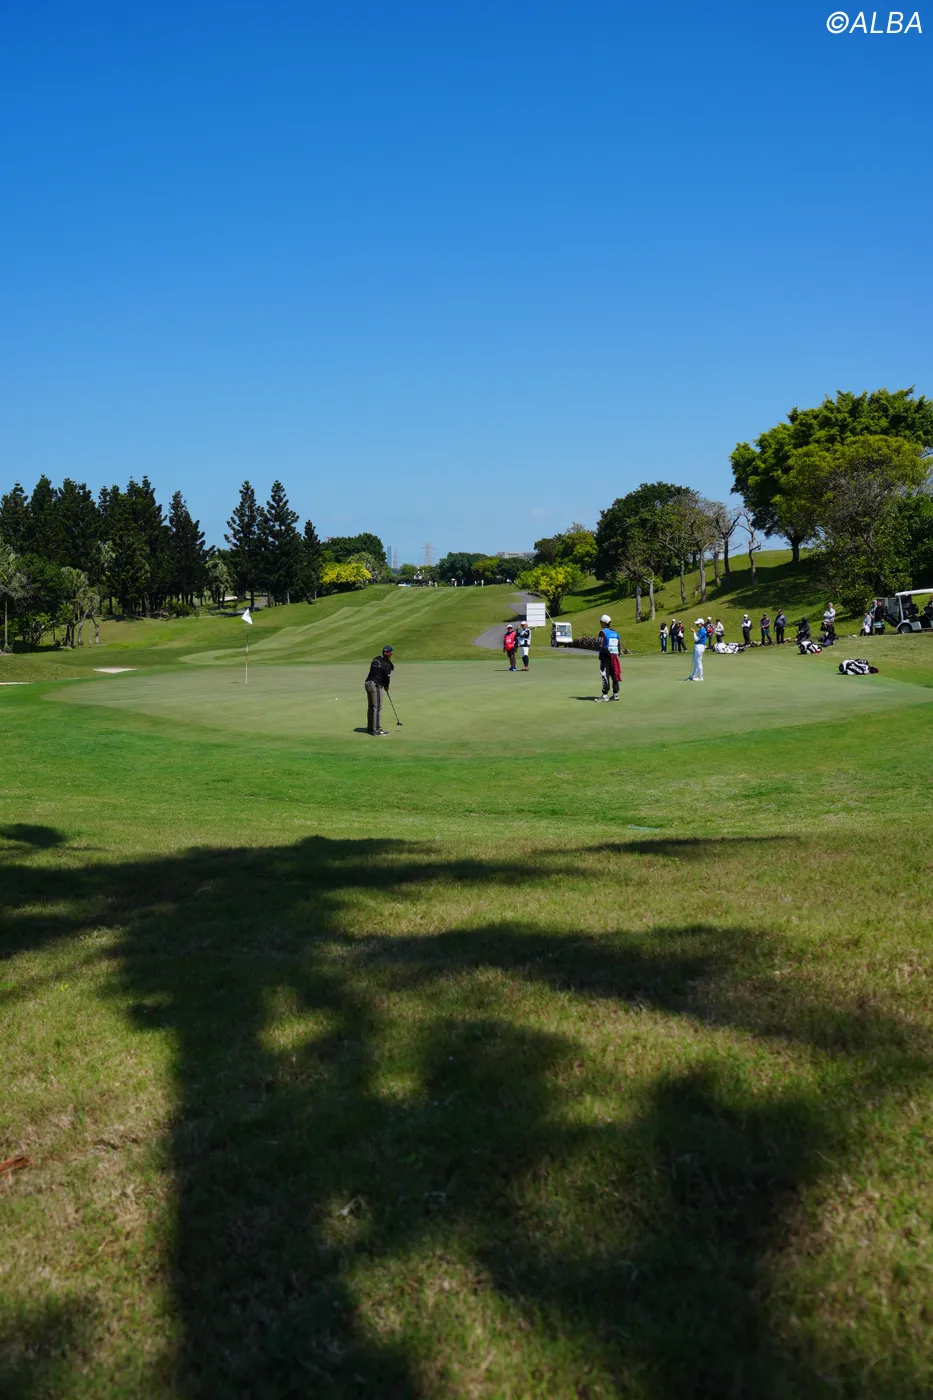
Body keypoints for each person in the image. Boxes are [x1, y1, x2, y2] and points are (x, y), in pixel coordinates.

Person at [364, 646, 394, 735]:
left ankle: (370, 727)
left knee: (371, 707)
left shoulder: (376, 659)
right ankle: (377, 729)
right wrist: (386, 687)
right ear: (389, 654)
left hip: (368, 683)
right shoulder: (387, 664)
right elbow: (387, 678)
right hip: (376, 685)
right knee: (377, 708)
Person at [596, 613, 622, 701]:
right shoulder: (615, 633)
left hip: (606, 657)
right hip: (615, 656)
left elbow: (600, 645)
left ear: (604, 623)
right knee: (615, 674)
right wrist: (617, 655)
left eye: (601, 622)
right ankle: (615, 694)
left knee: (605, 674)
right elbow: (618, 646)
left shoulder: (602, 632)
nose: (600, 623)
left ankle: (604, 695)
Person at [687, 616, 707, 680]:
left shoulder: (702, 631)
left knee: (698, 662)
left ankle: (700, 677)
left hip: (699, 647)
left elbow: (696, 639)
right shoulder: (701, 630)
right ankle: (692, 676)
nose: (696, 625)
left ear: (701, 624)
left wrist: (694, 632)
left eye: (698, 624)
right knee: (695, 662)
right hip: (697, 647)